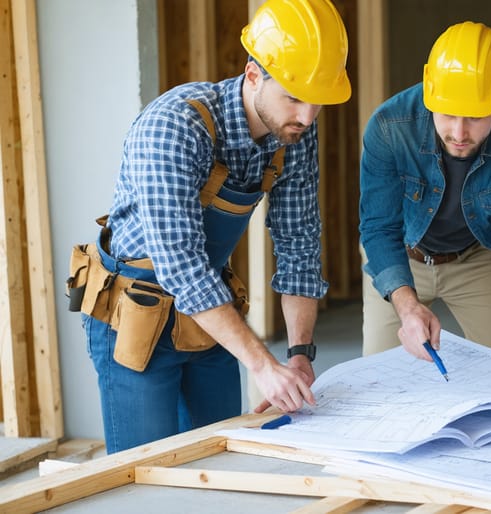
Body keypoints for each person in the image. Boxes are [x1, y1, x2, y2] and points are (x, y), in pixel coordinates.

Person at [67, 0, 351, 453]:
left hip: (209, 314)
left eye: (318, 101)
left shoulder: (294, 130)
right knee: (145, 477)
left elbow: (299, 244)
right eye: (295, 97)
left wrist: (299, 355)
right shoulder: (174, 127)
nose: (308, 116)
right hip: (136, 314)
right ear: (253, 75)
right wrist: (261, 365)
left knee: (221, 458)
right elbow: (181, 266)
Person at [359, 21, 491, 419]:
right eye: (447, 115)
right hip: (400, 260)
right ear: (429, 92)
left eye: (475, 117)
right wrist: (406, 308)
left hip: (479, 257)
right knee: (378, 390)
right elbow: (378, 229)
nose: (459, 133)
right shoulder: (389, 127)